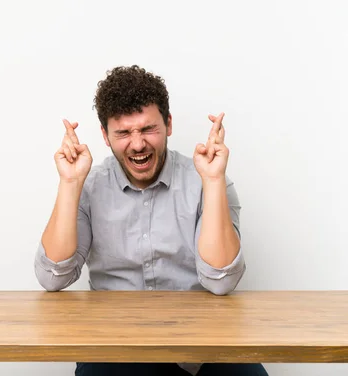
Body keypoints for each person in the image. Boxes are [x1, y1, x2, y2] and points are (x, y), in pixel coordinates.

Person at [33, 65, 269, 376]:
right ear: (105, 136)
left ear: (168, 124)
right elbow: (53, 278)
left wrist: (212, 181)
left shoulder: (210, 180)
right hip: (118, 350)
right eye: (123, 132)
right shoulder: (88, 186)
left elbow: (221, 281)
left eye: (147, 129)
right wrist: (70, 184)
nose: (138, 143)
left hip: (206, 345)